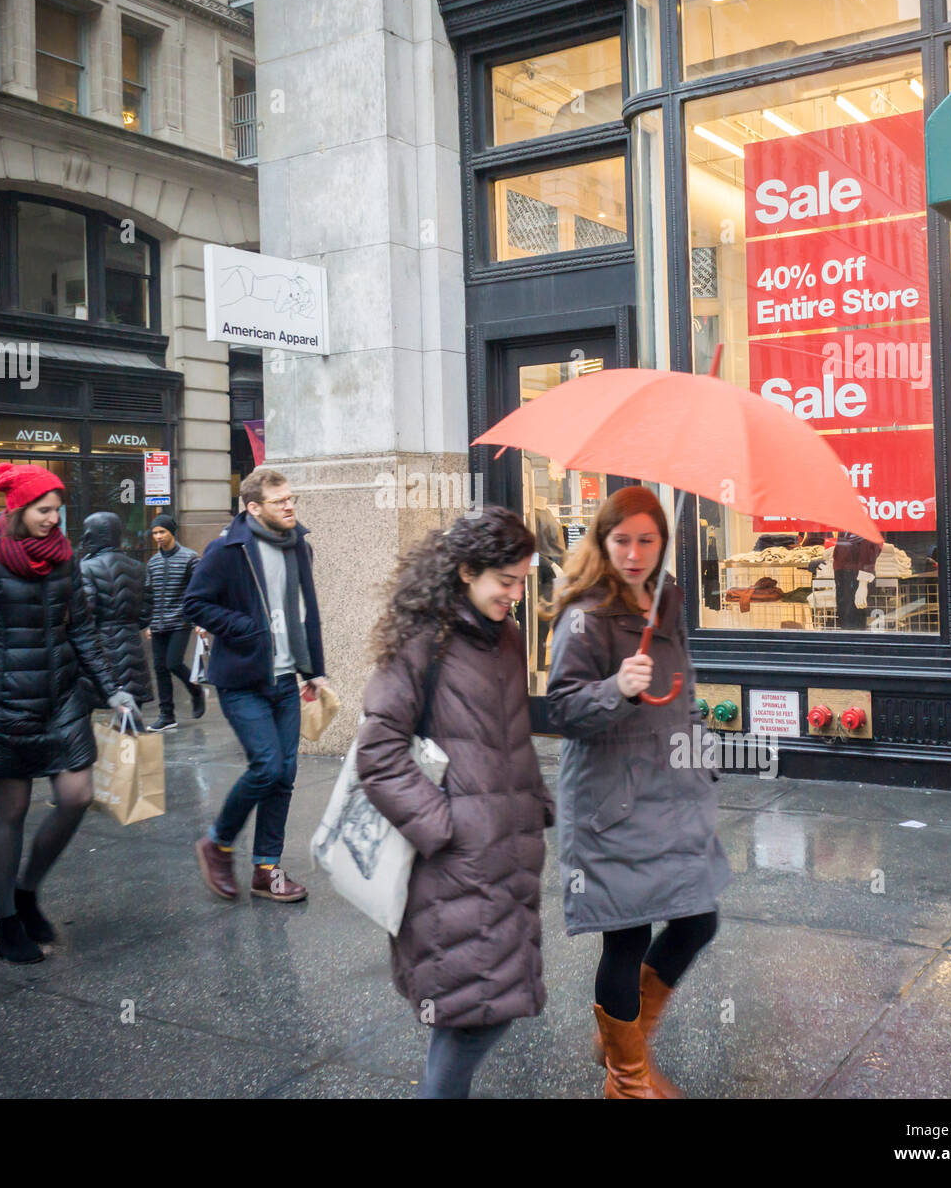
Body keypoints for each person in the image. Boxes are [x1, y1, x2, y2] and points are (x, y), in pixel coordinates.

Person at [356, 506, 554, 1099]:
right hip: (456, 861)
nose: (516, 595)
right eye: (506, 581)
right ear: (467, 570)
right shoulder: (425, 639)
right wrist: (444, 827)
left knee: (483, 1006)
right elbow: (378, 752)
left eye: (523, 581)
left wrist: (531, 799)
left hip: (508, 849)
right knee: (468, 1018)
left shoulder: (507, 636)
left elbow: (506, 735)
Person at [546, 485, 730, 1099]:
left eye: (646, 539)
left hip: (671, 792)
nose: (633, 552)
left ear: (662, 541)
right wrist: (616, 687)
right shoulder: (585, 613)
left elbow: (680, 697)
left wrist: (700, 753)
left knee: (698, 919)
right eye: (621, 539)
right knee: (623, 933)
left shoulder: (667, 602)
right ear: (602, 540)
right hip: (611, 801)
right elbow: (564, 711)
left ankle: (621, 1034)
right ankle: (627, 1081)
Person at [0, 463, 137, 964]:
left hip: (61, 701)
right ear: (18, 509)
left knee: (77, 796)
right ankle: (6, 920)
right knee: (11, 812)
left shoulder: (65, 561)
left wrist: (115, 689)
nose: (54, 519)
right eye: (43, 510)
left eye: (57, 510)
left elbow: (82, 631)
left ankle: (27, 891)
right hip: (2, 707)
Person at [184, 468, 326, 903]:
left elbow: (308, 610)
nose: (290, 506)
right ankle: (218, 843)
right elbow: (195, 603)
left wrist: (313, 669)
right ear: (253, 507)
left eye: (291, 498)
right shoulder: (228, 550)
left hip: (285, 679)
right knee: (266, 766)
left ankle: (266, 869)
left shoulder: (298, 544)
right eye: (279, 500)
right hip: (243, 680)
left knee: (284, 776)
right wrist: (246, 627)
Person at [80, 511, 154, 717]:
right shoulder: (139, 567)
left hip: (102, 649)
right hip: (133, 647)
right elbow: (146, 612)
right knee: (132, 722)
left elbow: (87, 613)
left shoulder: (86, 568)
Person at [143, 514, 204, 732]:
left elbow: (198, 590)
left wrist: (199, 620)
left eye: (162, 532)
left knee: (173, 663)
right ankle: (166, 715)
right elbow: (149, 595)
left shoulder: (190, 558)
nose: (158, 537)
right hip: (158, 622)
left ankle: (195, 689)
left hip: (180, 621)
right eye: (155, 533)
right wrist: (149, 623)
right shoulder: (153, 562)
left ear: (172, 532)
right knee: (160, 669)